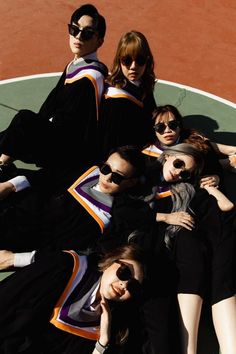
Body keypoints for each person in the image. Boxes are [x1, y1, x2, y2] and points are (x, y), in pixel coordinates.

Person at [0, 4, 108, 199]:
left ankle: (2, 164)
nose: (77, 37)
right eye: (74, 30)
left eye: (87, 34)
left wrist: (32, 130)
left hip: (70, 149)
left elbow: (69, 126)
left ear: (99, 41)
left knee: (24, 120)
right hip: (57, 136)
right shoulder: (76, 64)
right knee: (17, 129)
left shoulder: (91, 77)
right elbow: (51, 103)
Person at [146, 144, 236, 354]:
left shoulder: (188, 190)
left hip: (211, 242)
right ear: (167, 155)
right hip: (175, 249)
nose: (179, 172)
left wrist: (212, 185)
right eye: (178, 164)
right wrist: (164, 217)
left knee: (220, 271)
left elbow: (227, 208)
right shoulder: (146, 178)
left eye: (185, 172)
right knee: (190, 249)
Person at [0, 145, 154, 256]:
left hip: (23, 237)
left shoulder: (111, 213)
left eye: (118, 177)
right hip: (16, 205)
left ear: (131, 182)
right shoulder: (88, 170)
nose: (106, 177)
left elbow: (63, 249)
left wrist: (16, 259)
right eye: (106, 168)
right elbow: (47, 176)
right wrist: (9, 185)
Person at [0, 243, 146, 353]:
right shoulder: (66, 267)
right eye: (125, 271)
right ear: (111, 261)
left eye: (133, 287)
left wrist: (102, 342)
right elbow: (7, 299)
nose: (124, 285)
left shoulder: (107, 331)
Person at [143, 104, 236, 192]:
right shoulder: (148, 154)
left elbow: (213, 166)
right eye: (160, 127)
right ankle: (228, 162)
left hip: (203, 154)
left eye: (173, 125)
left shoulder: (194, 143)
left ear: (179, 126)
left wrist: (217, 177)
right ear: (153, 129)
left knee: (203, 144)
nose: (167, 130)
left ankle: (230, 154)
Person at [98, 30, 157, 162]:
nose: (133, 67)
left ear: (147, 61)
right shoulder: (115, 98)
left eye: (140, 60)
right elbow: (110, 142)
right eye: (127, 60)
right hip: (123, 158)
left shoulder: (144, 85)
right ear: (119, 60)